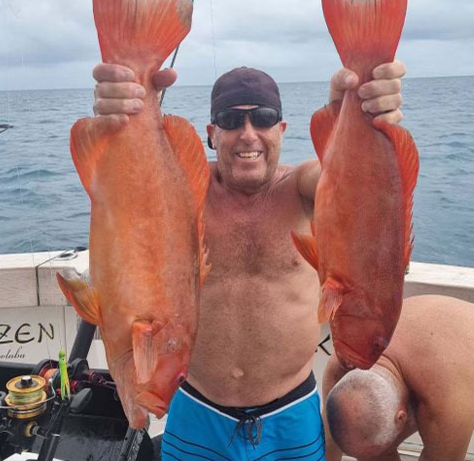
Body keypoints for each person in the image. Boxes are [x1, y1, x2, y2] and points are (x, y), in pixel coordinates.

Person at [91, 59, 405, 460]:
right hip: (196, 409)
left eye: (263, 118)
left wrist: (358, 119)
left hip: (291, 414)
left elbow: (348, 187)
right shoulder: (183, 193)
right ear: (211, 134)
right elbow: (124, 191)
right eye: (230, 119)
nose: (248, 134)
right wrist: (118, 116)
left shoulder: (306, 189)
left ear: (282, 130)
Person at [322, 295, 474, 461]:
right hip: (455, 373)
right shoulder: (342, 365)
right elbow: (331, 444)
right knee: (370, 445)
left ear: (402, 416)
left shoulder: (445, 402)